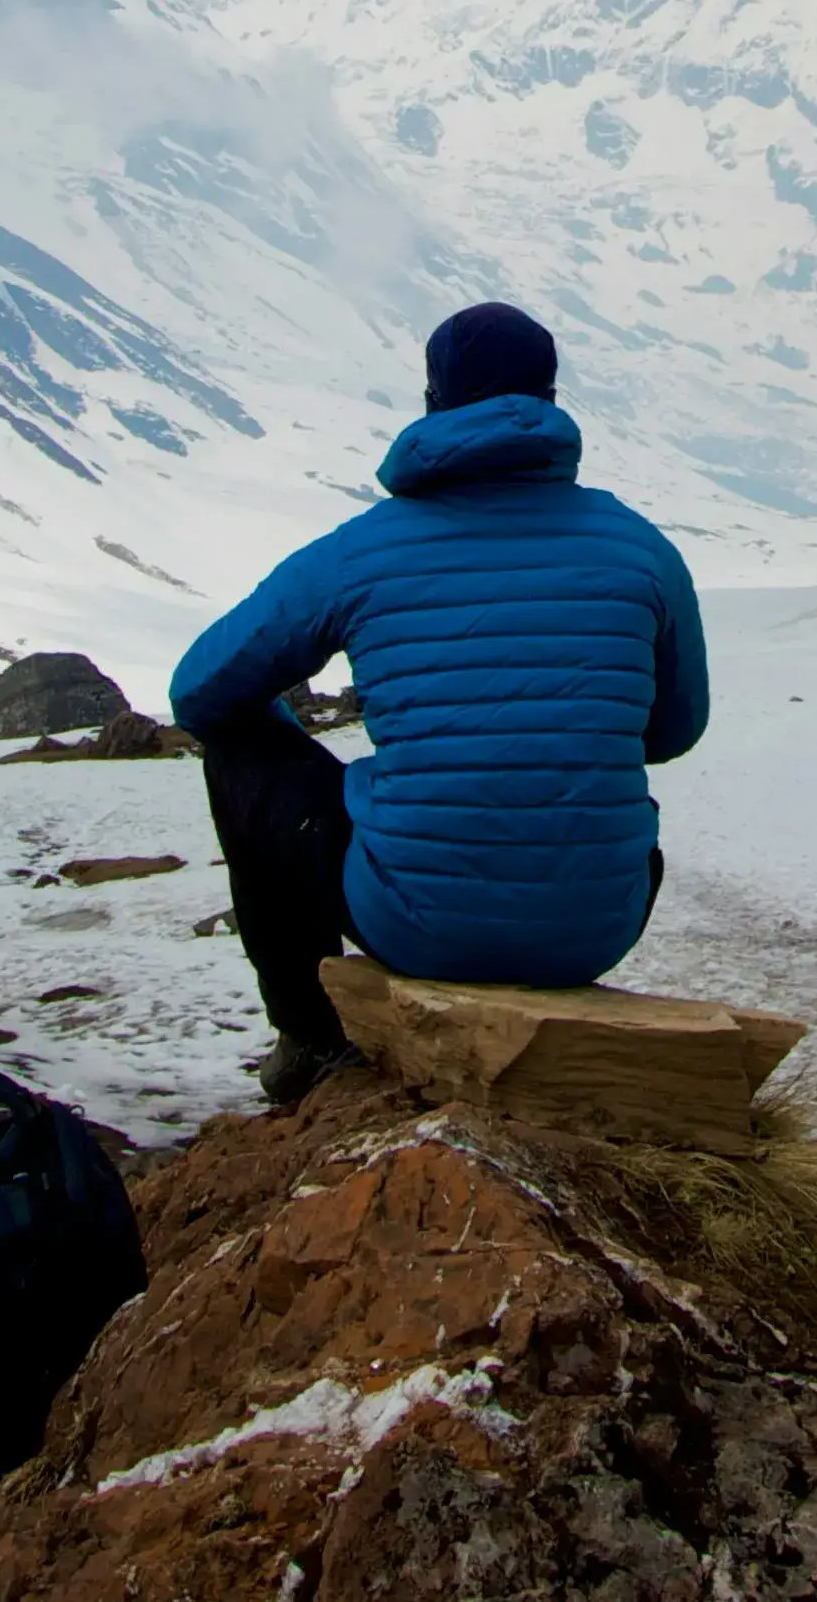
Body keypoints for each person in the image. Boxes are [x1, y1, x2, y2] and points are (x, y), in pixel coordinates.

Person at [168, 301, 709, 1104]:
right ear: (551, 400)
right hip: (598, 927)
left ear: (431, 404)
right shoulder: (639, 545)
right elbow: (673, 730)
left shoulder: (363, 548)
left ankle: (311, 1036)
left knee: (238, 750)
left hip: (413, 922)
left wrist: (309, 748)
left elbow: (198, 693)